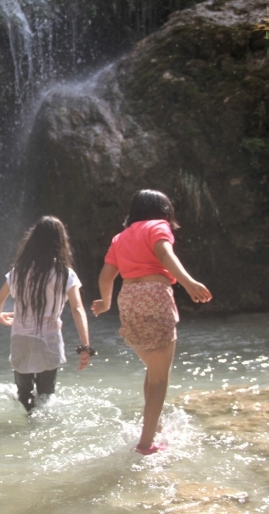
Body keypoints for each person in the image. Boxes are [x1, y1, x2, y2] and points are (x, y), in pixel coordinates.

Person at [91, 189, 212, 455]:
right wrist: (188, 282)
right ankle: (146, 445)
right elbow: (165, 255)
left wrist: (106, 302)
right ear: (164, 211)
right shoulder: (158, 226)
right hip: (155, 294)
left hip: (129, 299)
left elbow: (106, 276)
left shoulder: (120, 237)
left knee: (153, 370)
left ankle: (153, 429)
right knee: (160, 378)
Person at [0, 216, 93, 412]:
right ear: (60, 242)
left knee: (24, 396)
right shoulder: (65, 274)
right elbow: (77, 309)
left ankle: (28, 425)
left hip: (21, 338)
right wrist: (85, 345)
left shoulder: (19, 272)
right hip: (49, 340)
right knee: (46, 396)